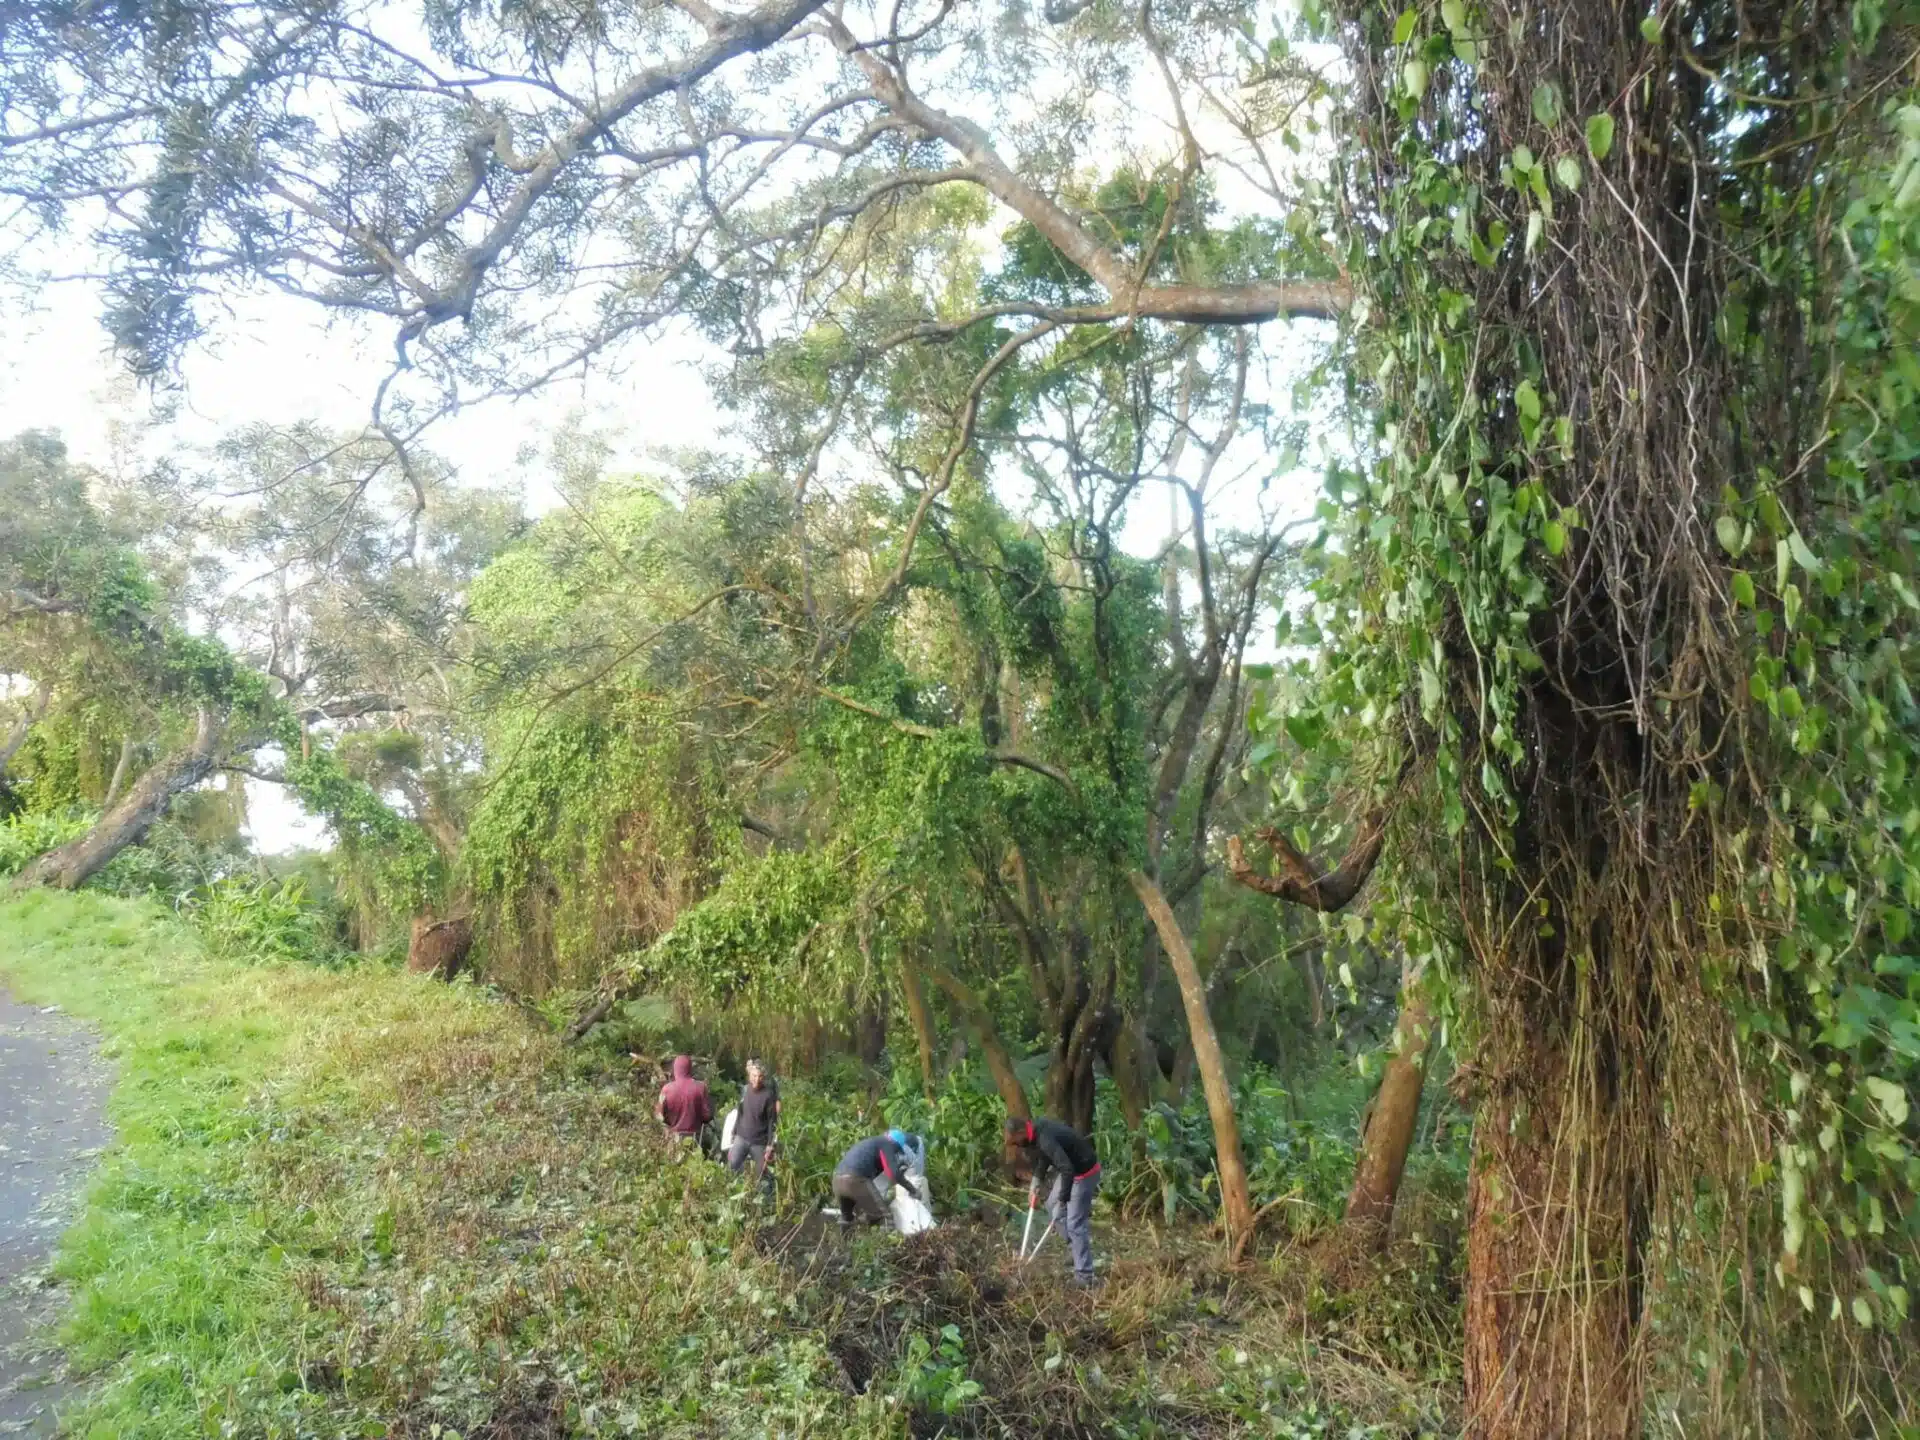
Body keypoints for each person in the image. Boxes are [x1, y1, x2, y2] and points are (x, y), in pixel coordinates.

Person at [1005, 1114, 1101, 1287]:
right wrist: (1036, 1182)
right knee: (1050, 1206)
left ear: (1020, 1132)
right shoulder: (1036, 1132)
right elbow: (1045, 1157)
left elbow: (1067, 1169)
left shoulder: (1044, 1137)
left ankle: (1085, 1277)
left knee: (1074, 1223)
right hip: (1071, 1171)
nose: (1017, 1146)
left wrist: (1063, 1201)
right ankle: (1076, 1250)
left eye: (1015, 1142)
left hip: (1084, 1173)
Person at [831, 1129, 921, 1228]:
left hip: (837, 1181)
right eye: (897, 1150)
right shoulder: (887, 1143)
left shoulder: (872, 1144)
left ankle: (845, 1242)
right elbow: (893, 1172)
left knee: (847, 1219)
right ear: (895, 1144)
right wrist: (912, 1190)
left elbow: (883, 1170)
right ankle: (889, 1242)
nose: (895, 1153)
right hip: (855, 1180)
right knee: (885, 1218)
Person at [725, 1057, 781, 1191]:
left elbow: (771, 1122)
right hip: (742, 1137)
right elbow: (740, 1112)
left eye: (760, 1076)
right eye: (754, 1076)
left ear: (764, 1078)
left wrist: (769, 1145)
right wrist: (734, 1131)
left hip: (759, 1142)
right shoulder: (745, 1090)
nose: (757, 1079)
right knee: (732, 1166)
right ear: (750, 1076)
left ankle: (764, 1201)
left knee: (761, 1175)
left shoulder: (768, 1096)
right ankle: (736, 1191)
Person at [655, 1054, 713, 1155]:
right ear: (690, 1068)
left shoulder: (666, 1089)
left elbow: (659, 1116)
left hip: (674, 1138)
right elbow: (707, 1116)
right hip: (696, 1138)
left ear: (675, 1069)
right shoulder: (700, 1087)